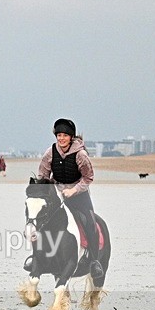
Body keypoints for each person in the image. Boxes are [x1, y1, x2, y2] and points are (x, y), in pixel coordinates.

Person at [26, 118, 103, 278]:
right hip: (57, 195)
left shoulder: (81, 155)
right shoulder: (50, 152)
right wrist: (46, 190)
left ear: (71, 137)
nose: (61, 138)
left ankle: (95, 261)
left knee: (90, 222)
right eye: (59, 135)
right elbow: (43, 175)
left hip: (79, 195)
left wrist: (73, 190)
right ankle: (35, 258)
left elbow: (88, 178)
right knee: (38, 221)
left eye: (65, 135)